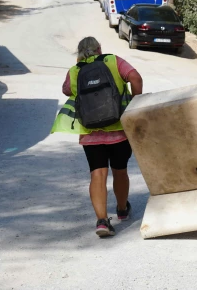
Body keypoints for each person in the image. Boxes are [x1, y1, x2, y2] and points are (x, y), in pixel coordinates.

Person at [51, 37, 143, 238]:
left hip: (90, 133)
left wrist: (79, 69)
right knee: (120, 171)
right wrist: (136, 105)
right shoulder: (113, 61)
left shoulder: (75, 71)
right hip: (119, 130)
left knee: (97, 174)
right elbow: (135, 77)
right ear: (99, 49)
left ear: (79, 53)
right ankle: (121, 209)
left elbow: (66, 90)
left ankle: (102, 221)